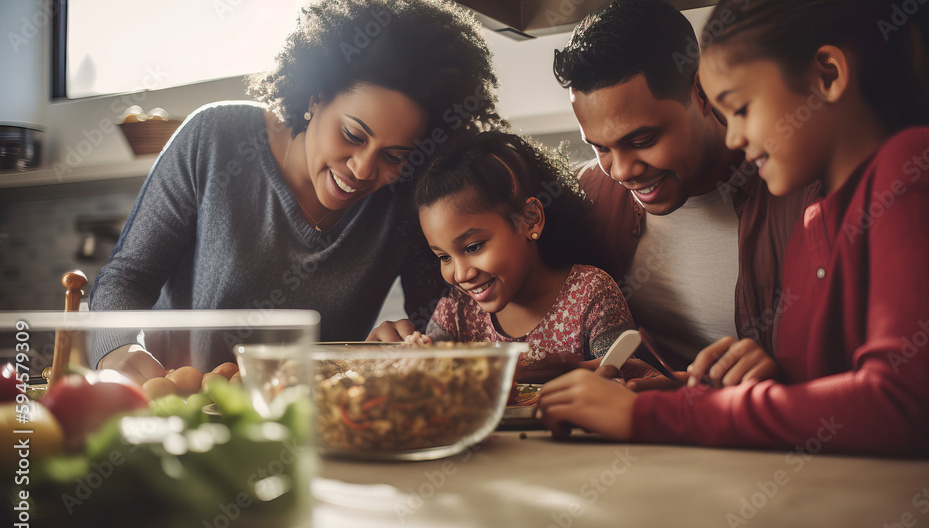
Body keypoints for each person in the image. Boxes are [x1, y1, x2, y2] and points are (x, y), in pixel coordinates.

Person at [538, 0, 929, 456]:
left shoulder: (911, 166)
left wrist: (653, 416)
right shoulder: (818, 213)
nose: (734, 136)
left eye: (740, 108)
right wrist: (678, 391)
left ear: (829, 76)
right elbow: (818, 391)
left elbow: (910, 409)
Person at [89, 0, 503, 380]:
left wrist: (404, 347)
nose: (362, 169)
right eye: (352, 135)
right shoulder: (214, 139)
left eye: (394, 155)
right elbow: (127, 277)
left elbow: (440, 320)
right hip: (183, 417)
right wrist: (121, 351)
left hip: (315, 428)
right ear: (316, 95)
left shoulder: (407, 196)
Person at [543, 0, 819, 388]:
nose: (621, 171)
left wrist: (785, 375)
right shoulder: (586, 197)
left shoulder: (801, 190)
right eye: (600, 147)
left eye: (643, 139)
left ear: (701, 92)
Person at [372, 130, 655, 377]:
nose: (460, 274)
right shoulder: (457, 309)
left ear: (530, 219)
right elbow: (430, 376)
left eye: (473, 247)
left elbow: (628, 374)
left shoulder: (589, 292)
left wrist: (565, 370)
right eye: (444, 257)